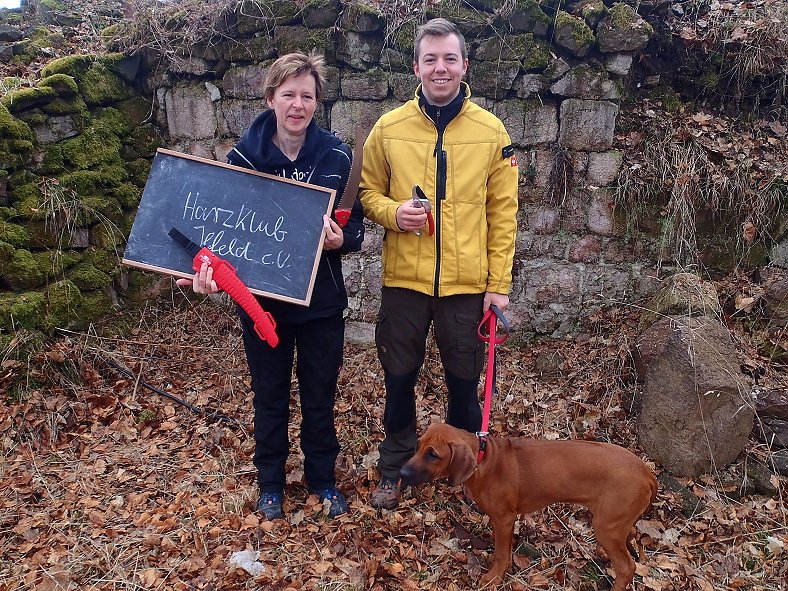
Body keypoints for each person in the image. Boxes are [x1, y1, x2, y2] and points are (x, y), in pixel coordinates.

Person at [177, 52, 364, 520]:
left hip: (320, 304)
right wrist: (210, 279)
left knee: (320, 397)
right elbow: (223, 238)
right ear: (270, 99)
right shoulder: (242, 159)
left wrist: (343, 238)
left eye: (306, 95)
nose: (297, 104)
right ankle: (271, 485)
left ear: (317, 102)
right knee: (270, 395)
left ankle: (322, 480)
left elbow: (355, 227)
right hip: (262, 306)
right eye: (288, 95)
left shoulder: (337, 156)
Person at [359, 18, 519, 509]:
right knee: (399, 376)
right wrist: (394, 213)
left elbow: (503, 213)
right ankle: (395, 467)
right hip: (405, 281)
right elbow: (367, 194)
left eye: (449, 58)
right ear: (416, 67)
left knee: (463, 383)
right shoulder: (388, 128)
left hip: (465, 286)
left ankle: (469, 472)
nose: (440, 67)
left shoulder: (492, 131)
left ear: (464, 65)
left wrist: (499, 285)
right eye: (431, 59)